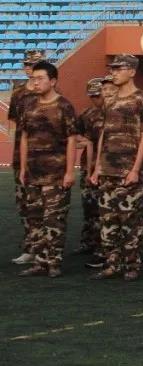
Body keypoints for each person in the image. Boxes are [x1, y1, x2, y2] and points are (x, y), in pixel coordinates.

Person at [90, 54, 143, 281]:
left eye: (119, 69)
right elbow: (104, 134)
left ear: (132, 72)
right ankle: (112, 264)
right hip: (108, 169)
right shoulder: (110, 100)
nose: (114, 73)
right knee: (108, 220)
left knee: (130, 220)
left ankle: (131, 265)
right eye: (112, 69)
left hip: (128, 170)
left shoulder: (141, 100)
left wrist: (136, 169)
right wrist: (97, 166)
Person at [17, 61, 78, 277]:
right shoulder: (28, 106)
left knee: (54, 220)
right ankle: (40, 262)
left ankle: (54, 263)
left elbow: (72, 140)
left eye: (40, 78)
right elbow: (24, 138)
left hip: (56, 174)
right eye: (33, 78)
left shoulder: (64, 106)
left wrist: (70, 171)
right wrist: (23, 168)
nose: (36, 82)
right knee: (35, 219)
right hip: (33, 173)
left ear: (53, 81)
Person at [8, 49, 46, 266]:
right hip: (21, 157)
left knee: (45, 206)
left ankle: (46, 249)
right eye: (27, 64)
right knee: (25, 205)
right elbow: (14, 121)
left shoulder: (50, 92)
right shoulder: (19, 93)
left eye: (35, 64)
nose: (30, 68)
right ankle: (31, 248)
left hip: (45, 158)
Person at [75, 79, 106, 263]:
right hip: (88, 164)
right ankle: (89, 242)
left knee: (104, 209)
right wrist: (83, 141)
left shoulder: (112, 113)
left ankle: (103, 246)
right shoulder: (86, 114)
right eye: (92, 96)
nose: (96, 99)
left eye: (98, 95)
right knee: (89, 207)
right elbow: (75, 134)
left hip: (106, 166)